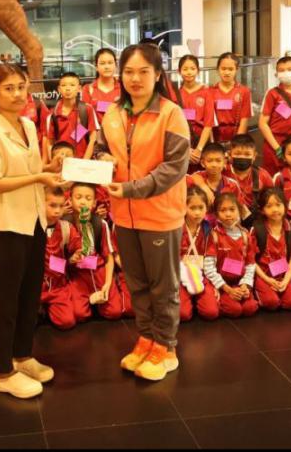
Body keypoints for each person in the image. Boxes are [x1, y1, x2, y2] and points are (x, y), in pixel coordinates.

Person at [94, 42, 190, 382]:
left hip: (160, 214)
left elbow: (174, 168)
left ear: (158, 74)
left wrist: (132, 188)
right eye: (129, 72)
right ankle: (146, 337)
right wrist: (104, 159)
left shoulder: (171, 114)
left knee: (163, 286)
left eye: (143, 72)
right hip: (124, 214)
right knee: (136, 283)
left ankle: (166, 346)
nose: (135, 79)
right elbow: (100, 148)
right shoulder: (112, 112)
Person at [0, 63, 64, 399]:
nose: (16, 94)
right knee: (6, 301)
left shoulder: (27, 124)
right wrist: (39, 177)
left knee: (29, 295)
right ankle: (2, 371)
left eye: (21, 87)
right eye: (8, 88)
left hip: (33, 220)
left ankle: (22, 356)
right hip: (5, 224)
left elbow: (29, 167)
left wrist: (48, 168)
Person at [66, 183, 122, 321]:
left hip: (99, 273)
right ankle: (88, 304)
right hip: (78, 276)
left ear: (94, 203)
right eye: (78, 197)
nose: (83, 201)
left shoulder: (100, 224)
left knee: (114, 312)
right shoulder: (64, 225)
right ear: (70, 200)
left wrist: (107, 283)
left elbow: (108, 257)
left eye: (88, 198)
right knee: (79, 314)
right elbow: (56, 260)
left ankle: (100, 302)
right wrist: (70, 260)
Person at [202, 193, 259, 319]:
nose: (228, 214)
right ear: (216, 214)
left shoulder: (245, 235)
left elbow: (250, 264)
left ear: (239, 211)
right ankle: (219, 299)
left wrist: (245, 285)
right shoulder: (214, 235)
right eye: (223, 210)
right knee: (234, 310)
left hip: (239, 282)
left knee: (250, 308)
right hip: (222, 285)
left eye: (232, 209)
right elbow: (209, 268)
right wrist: (227, 289)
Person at [250, 188, 291, 311]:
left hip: (283, 274)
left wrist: (286, 280)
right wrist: (268, 280)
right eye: (269, 206)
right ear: (262, 210)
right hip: (263, 275)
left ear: (285, 206)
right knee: (271, 302)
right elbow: (251, 260)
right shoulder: (257, 230)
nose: (275, 209)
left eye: (278, 205)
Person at [258, 56, 291, 175]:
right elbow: (262, 124)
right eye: (281, 70)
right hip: (275, 143)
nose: (286, 73)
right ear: (276, 74)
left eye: (290, 69)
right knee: (273, 178)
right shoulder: (272, 93)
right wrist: (277, 148)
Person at [40, 187, 81, 331]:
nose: (57, 211)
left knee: (67, 321)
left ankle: (50, 308)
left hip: (58, 285)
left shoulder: (67, 228)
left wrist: (76, 256)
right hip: (35, 287)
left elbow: (80, 248)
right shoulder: (31, 228)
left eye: (61, 206)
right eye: (52, 205)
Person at [178, 189, 216, 321]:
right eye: (192, 208)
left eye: (201, 207)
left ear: (206, 208)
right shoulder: (177, 228)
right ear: (184, 208)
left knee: (211, 312)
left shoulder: (207, 229)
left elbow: (210, 259)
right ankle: (187, 298)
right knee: (183, 314)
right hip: (180, 276)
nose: (197, 212)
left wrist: (214, 284)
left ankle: (196, 297)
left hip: (201, 275)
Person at [44, 72, 100, 160]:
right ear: (59, 89)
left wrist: (85, 161)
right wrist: (55, 160)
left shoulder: (87, 109)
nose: (68, 88)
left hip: (83, 161)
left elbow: (93, 138)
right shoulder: (52, 114)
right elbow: (50, 142)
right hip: (62, 162)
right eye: (64, 85)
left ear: (79, 88)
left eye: (72, 85)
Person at [186, 142, 247, 220]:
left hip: (224, 224)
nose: (214, 165)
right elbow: (185, 177)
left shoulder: (233, 185)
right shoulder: (194, 179)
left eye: (218, 161)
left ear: (224, 162)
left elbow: (242, 211)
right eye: (210, 161)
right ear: (202, 163)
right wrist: (203, 186)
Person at [223, 134, 273, 225]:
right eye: (237, 153)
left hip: (255, 221)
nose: (242, 157)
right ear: (230, 154)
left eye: (247, 154)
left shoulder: (263, 175)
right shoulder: (222, 171)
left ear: (254, 156)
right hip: (226, 219)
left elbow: (272, 199)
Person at [177, 55, 214, 172]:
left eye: (192, 69)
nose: (189, 72)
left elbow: (208, 123)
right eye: (185, 69)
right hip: (182, 142)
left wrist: (199, 149)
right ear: (179, 71)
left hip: (202, 141)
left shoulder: (206, 92)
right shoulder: (176, 94)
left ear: (198, 71)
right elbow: (174, 125)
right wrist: (186, 150)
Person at [210, 53, 251, 146]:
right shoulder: (210, 91)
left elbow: (244, 120)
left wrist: (237, 143)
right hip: (216, 138)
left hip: (237, 137)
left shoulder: (244, 91)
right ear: (217, 69)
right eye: (223, 69)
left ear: (237, 70)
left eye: (231, 69)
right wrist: (212, 143)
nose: (227, 72)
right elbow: (208, 120)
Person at [82, 48, 121, 123]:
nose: (107, 66)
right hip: (95, 130)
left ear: (115, 65)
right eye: (102, 63)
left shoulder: (124, 88)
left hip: (119, 129)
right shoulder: (87, 89)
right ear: (96, 67)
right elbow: (84, 119)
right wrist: (76, 135)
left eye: (110, 63)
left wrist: (96, 105)